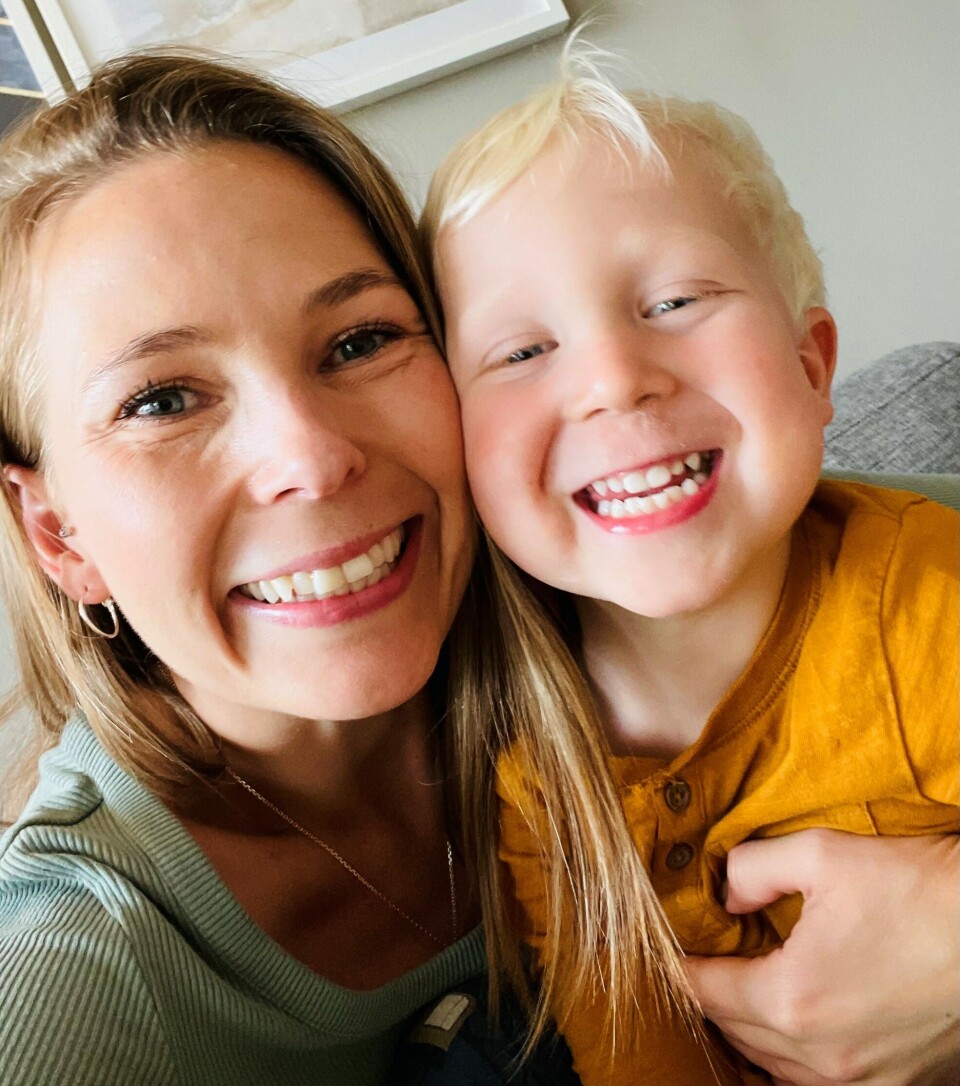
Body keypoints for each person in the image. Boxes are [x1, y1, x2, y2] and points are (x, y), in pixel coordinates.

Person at [0, 51, 585, 1086]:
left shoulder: (622, 598)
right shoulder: (70, 978)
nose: (312, 457)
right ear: (59, 535)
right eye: (162, 401)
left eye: (360, 340)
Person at [422, 58, 960, 1085]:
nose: (615, 379)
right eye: (522, 351)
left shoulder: (929, 609)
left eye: (674, 300)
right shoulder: (533, 769)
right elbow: (633, 1049)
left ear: (811, 367)